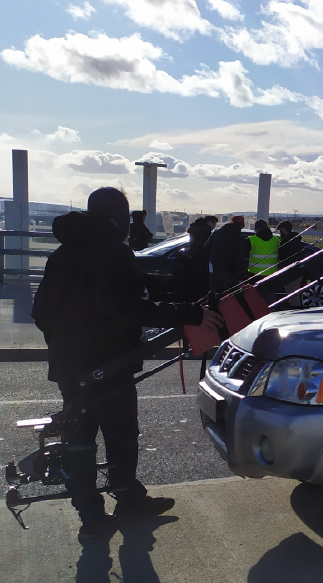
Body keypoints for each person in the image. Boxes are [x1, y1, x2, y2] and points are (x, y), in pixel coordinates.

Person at [31, 187, 222, 541]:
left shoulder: (63, 252)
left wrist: (64, 345)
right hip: (109, 365)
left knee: (79, 437)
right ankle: (127, 500)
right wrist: (192, 314)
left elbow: (40, 312)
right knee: (120, 435)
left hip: (69, 365)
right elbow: (130, 307)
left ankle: (91, 514)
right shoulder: (113, 253)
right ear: (118, 215)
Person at [204, 215, 247, 292]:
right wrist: (241, 276)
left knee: (214, 294)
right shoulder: (239, 238)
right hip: (230, 272)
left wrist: (212, 259)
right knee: (228, 297)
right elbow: (239, 258)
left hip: (215, 269)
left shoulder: (217, 233)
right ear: (242, 226)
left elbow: (206, 248)